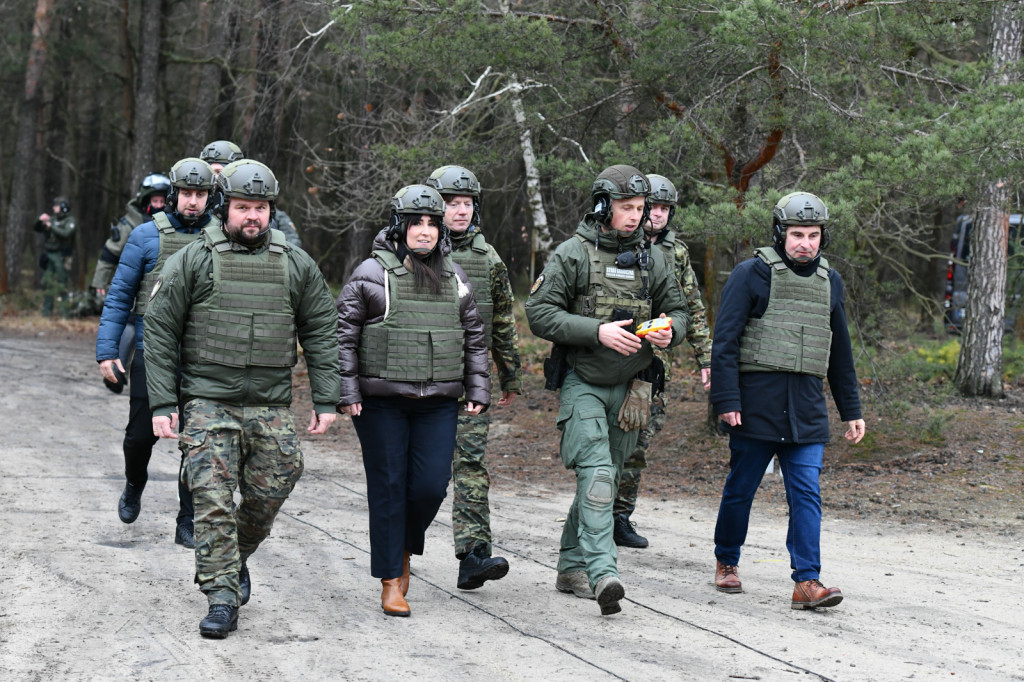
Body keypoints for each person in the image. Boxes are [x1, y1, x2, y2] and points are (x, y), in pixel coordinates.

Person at [143, 159, 340, 639]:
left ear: (271, 210)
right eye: (243, 207)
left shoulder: (294, 263)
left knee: (272, 489)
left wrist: (327, 398)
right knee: (210, 499)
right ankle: (221, 598)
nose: (252, 216)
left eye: (261, 208)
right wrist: (163, 404)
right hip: (208, 401)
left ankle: (230, 559)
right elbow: (160, 331)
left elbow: (320, 330)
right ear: (224, 207)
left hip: (271, 404)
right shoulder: (193, 258)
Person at [525, 164, 689, 616]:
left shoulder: (654, 258)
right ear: (602, 207)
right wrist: (596, 331)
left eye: (641, 208)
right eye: (626, 208)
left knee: (606, 479)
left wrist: (669, 330)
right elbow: (539, 312)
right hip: (584, 383)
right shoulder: (573, 254)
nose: (637, 217)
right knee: (597, 476)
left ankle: (570, 566)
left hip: (633, 387)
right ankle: (603, 573)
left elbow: (679, 309)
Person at [336, 184, 490, 617]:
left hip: (438, 400)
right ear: (399, 226)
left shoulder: (455, 276)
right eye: (416, 223)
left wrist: (478, 388)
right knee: (388, 487)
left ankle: (403, 548)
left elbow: (475, 337)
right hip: (381, 401)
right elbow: (343, 336)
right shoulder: (372, 273)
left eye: (433, 224)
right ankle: (390, 579)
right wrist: (346, 392)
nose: (425, 232)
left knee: (429, 486)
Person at [710, 191, 865, 610]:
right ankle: (727, 561)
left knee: (806, 494)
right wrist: (726, 400)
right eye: (797, 234)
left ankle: (807, 581)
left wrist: (851, 411)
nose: (805, 243)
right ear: (781, 233)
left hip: (807, 410)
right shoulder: (750, 274)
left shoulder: (830, 281)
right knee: (741, 489)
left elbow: (840, 353)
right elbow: (724, 343)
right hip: (755, 406)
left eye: (813, 235)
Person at [96, 158, 217, 549]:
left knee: (195, 442)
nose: (193, 202)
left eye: (201, 195)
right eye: (187, 194)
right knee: (138, 438)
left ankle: (187, 518)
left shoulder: (220, 238)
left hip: (203, 355)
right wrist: (107, 351)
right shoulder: (146, 236)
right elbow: (118, 297)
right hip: (153, 351)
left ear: (209, 198)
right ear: (173, 196)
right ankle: (135, 482)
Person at [426, 165, 521, 590]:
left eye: (466, 203)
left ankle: (473, 554)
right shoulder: (409, 252)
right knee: (422, 476)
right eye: (451, 203)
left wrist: (510, 374)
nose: (460, 211)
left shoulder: (488, 259)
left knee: (470, 465)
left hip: (470, 381)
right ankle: (400, 555)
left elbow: (502, 320)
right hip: (419, 380)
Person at [613, 173, 713, 549]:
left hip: (654, 365)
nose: (655, 215)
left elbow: (692, 309)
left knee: (639, 441)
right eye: (650, 207)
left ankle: (620, 517)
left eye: (663, 209)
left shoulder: (677, 253)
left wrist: (706, 358)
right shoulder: (615, 243)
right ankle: (593, 513)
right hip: (613, 355)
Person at [200, 139, 302, 248]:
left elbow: (292, 244)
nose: (214, 178)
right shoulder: (193, 207)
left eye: (218, 172)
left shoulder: (269, 214)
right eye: (209, 172)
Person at [90, 173, 171, 308]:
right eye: (155, 201)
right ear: (146, 202)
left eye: (162, 202)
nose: (158, 206)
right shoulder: (130, 224)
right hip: (134, 291)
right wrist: (99, 283)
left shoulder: (174, 223)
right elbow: (110, 254)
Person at [34, 196, 77, 316]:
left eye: (56, 206)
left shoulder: (70, 221)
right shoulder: (52, 219)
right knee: (48, 283)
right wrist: (40, 220)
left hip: (62, 256)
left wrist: (51, 226)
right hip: (50, 255)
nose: (54, 208)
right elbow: (37, 228)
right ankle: (46, 312)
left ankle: (65, 312)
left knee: (62, 284)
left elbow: (66, 234)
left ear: (62, 208)